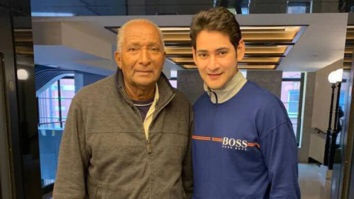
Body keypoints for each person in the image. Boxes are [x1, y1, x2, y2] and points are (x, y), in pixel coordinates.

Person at [53, 19, 193, 199]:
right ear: (119, 58)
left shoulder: (182, 105)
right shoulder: (86, 103)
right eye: (133, 49)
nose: (144, 59)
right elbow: (68, 185)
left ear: (163, 57)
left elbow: (188, 182)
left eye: (153, 49)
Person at [190, 7, 300, 198]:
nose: (212, 65)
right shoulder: (196, 109)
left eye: (222, 52)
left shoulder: (267, 110)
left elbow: (285, 189)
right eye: (203, 54)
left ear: (239, 50)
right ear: (194, 56)